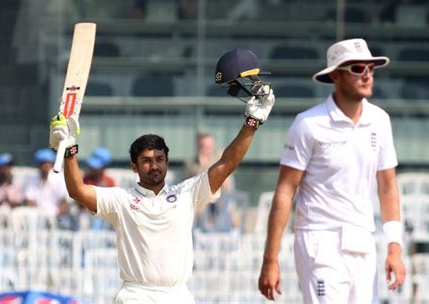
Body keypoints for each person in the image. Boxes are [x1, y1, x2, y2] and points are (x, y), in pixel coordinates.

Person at [49, 48, 274, 303]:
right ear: (134, 166)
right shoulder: (121, 200)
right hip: (136, 295)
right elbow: (77, 190)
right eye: (146, 161)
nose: (154, 166)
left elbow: (226, 163)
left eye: (159, 159)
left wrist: (252, 122)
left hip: (178, 295)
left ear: (167, 162)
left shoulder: (187, 193)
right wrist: (68, 150)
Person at [258, 38, 405, 303]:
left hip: (362, 239)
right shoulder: (308, 124)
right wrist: (271, 259)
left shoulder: (380, 121)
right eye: (358, 68)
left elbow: (388, 186)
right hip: (318, 239)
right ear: (336, 75)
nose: (367, 75)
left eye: (371, 68)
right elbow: (285, 191)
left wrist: (394, 246)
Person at [183, 133, 240, 233]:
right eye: (203, 146)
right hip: (199, 201)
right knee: (201, 205)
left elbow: (227, 186)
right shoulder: (191, 164)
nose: (206, 149)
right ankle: (204, 230)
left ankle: (230, 230)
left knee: (229, 203)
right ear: (198, 146)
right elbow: (191, 184)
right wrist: (202, 165)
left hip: (219, 201)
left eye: (208, 147)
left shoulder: (218, 161)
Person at [24, 148, 72, 229]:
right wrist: (42, 216)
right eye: (42, 163)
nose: (45, 166)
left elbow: (65, 204)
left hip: (58, 220)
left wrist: (54, 216)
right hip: (38, 220)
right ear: (37, 165)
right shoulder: (31, 179)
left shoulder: (60, 178)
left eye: (48, 163)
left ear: (52, 164)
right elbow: (30, 202)